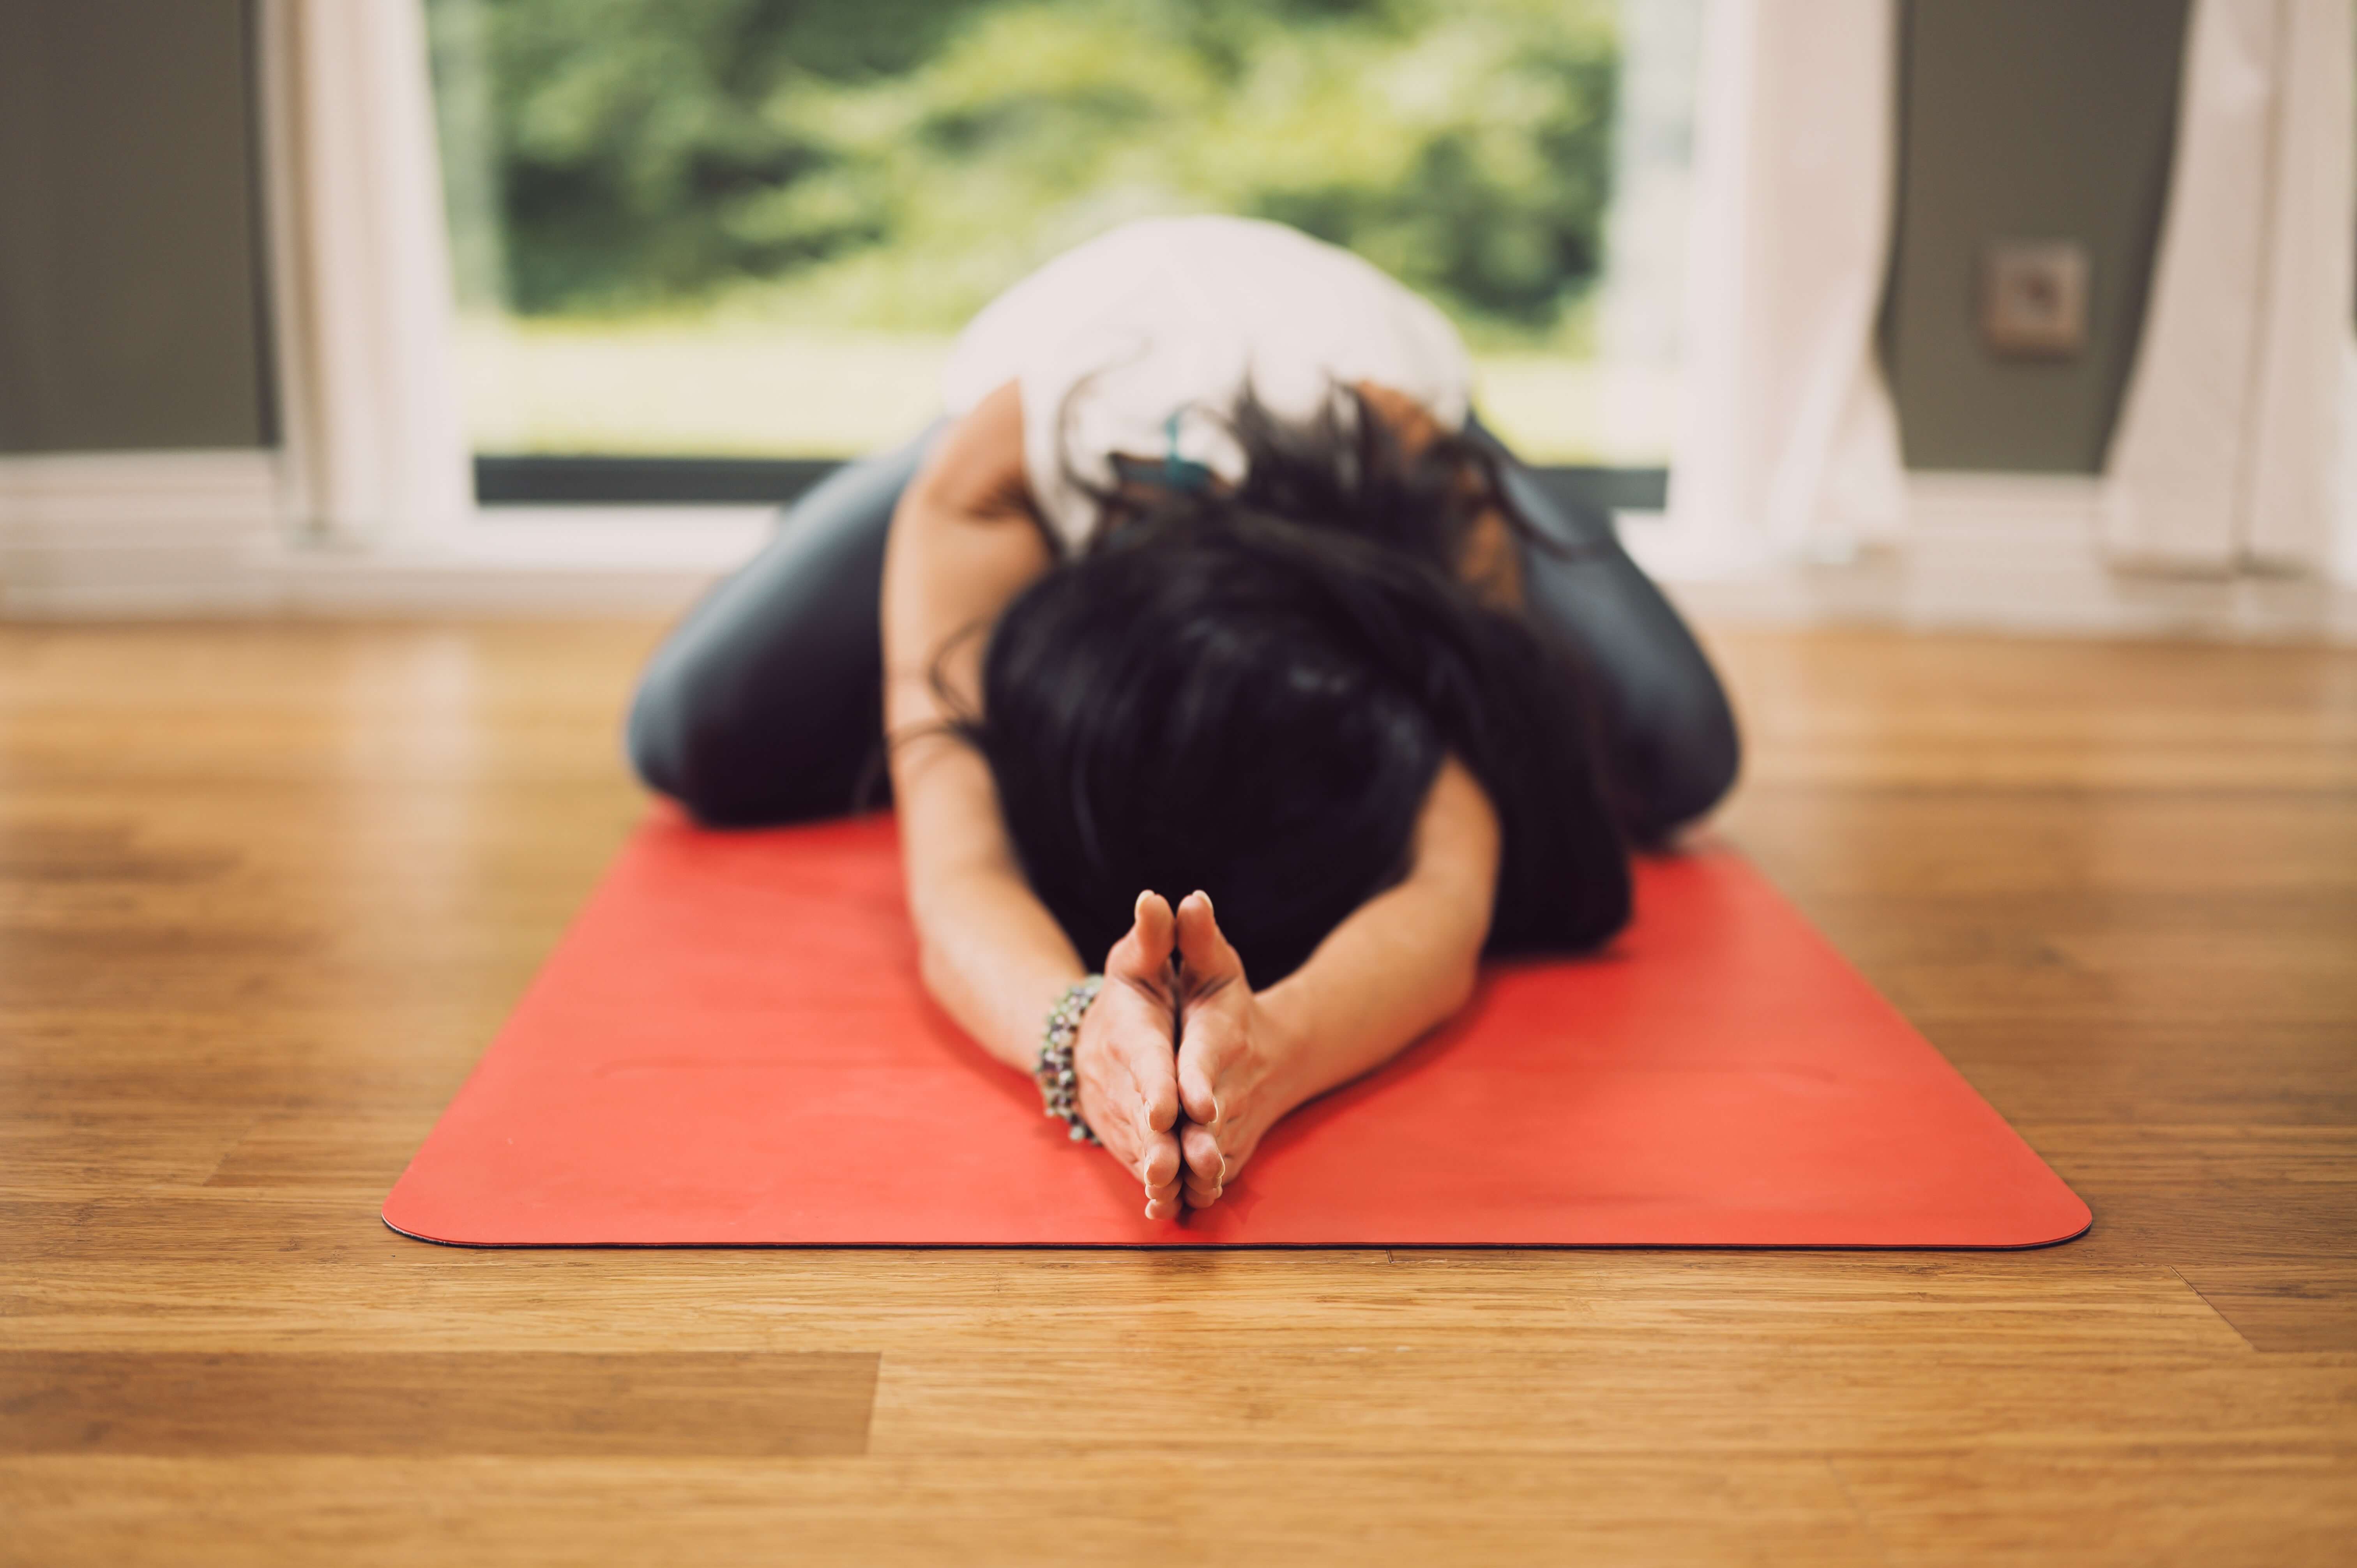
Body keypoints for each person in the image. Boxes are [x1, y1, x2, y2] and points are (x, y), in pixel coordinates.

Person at [626, 216, 1739, 1220]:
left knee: (1681, 755)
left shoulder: (1418, 495)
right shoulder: (992, 483)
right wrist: (1078, 1042)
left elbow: (1453, 882)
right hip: (1046, 354)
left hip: (1379, 372)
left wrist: (1272, 1056)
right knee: (688, 735)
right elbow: (955, 871)